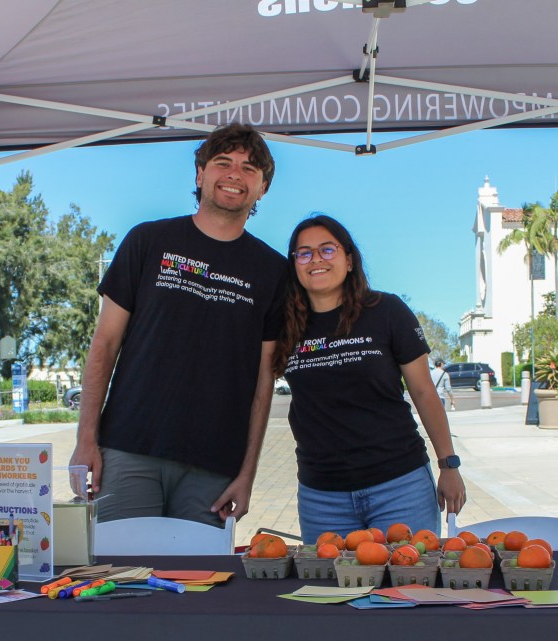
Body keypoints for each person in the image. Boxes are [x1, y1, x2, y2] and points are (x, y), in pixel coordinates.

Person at [70, 122, 287, 525]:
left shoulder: (274, 271)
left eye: (249, 168)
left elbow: (263, 381)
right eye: (223, 163)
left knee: (202, 585)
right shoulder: (147, 241)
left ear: (263, 188)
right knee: (120, 579)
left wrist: (247, 475)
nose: (235, 174)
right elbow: (104, 345)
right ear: (200, 173)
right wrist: (86, 441)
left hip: (214, 469)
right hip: (129, 450)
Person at [272, 214, 466, 543]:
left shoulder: (386, 311)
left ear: (349, 260)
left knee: (408, 587)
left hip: (399, 485)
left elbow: (423, 392)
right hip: (322, 496)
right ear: (295, 266)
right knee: (332, 591)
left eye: (327, 249)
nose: (315, 259)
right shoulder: (283, 326)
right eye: (304, 253)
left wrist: (449, 465)